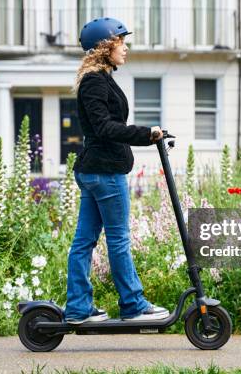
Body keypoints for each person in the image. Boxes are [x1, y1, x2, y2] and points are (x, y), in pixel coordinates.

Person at [64, 17, 168, 324]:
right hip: (104, 172)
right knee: (119, 239)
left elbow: (106, 126)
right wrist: (146, 134)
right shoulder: (95, 81)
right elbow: (105, 127)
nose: (125, 48)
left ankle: (79, 308)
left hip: (96, 171)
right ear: (104, 47)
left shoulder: (100, 78)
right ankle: (133, 304)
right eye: (120, 42)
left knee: (84, 241)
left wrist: (146, 136)